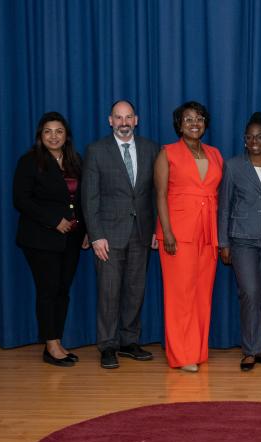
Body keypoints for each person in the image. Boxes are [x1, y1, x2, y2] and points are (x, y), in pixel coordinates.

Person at [82, 100, 159, 369]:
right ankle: (107, 345)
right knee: (109, 292)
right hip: (108, 236)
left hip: (142, 233)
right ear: (110, 121)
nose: (124, 122)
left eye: (128, 117)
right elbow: (89, 197)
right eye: (118, 117)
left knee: (135, 291)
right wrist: (96, 235)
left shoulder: (151, 149)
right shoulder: (96, 150)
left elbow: (157, 194)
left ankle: (129, 342)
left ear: (136, 120)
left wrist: (156, 228)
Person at [13, 112, 88, 367]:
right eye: (48, 131)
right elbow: (21, 200)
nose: (53, 136)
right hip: (40, 239)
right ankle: (51, 345)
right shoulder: (29, 161)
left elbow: (82, 200)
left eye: (59, 131)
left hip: (72, 239)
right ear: (40, 136)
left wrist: (87, 230)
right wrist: (53, 221)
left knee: (62, 291)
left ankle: (57, 340)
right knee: (48, 291)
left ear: (67, 136)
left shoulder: (75, 161)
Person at [155, 101, 223, 373]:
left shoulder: (215, 154)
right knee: (180, 295)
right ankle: (181, 355)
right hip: (178, 234)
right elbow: (160, 195)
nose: (194, 123)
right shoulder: (167, 153)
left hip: (208, 233)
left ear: (205, 123)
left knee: (202, 294)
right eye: (188, 119)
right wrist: (167, 231)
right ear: (179, 124)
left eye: (199, 118)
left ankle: (197, 349)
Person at [218, 112, 261, 372]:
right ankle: (249, 350)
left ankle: (258, 347)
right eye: (250, 137)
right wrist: (223, 242)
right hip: (241, 239)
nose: (254, 141)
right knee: (250, 293)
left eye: (260, 137)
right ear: (245, 141)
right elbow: (223, 207)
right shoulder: (233, 166)